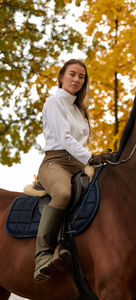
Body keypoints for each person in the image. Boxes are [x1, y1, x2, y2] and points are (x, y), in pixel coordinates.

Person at [34, 59, 114, 283]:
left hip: (79, 165)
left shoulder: (79, 110)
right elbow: (64, 139)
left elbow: (79, 142)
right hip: (55, 163)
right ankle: (42, 254)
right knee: (63, 194)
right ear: (61, 77)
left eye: (81, 76)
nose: (77, 79)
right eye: (72, 74)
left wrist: (98, 159)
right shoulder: (53, 102)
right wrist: (90, 157)